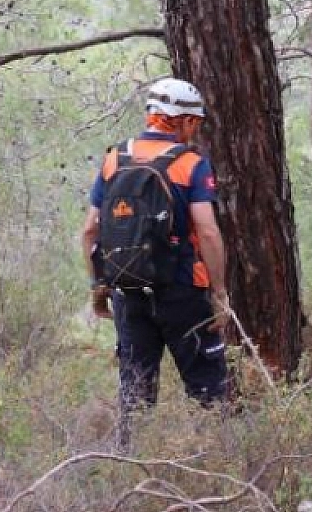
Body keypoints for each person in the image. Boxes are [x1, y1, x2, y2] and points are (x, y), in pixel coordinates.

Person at [81, 77, 231, 446]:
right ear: (184, 120)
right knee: (208, 388)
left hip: (127, 294)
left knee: (135, 392)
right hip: (183, 292)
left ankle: (128, 468)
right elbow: (208, 232)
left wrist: (99, 286)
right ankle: (214, 465)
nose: (195, 129)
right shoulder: (192, 165)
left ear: (152, 116)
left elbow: (89, 231)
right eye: (195, 121)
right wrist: (220, 292)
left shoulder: (114, 159)